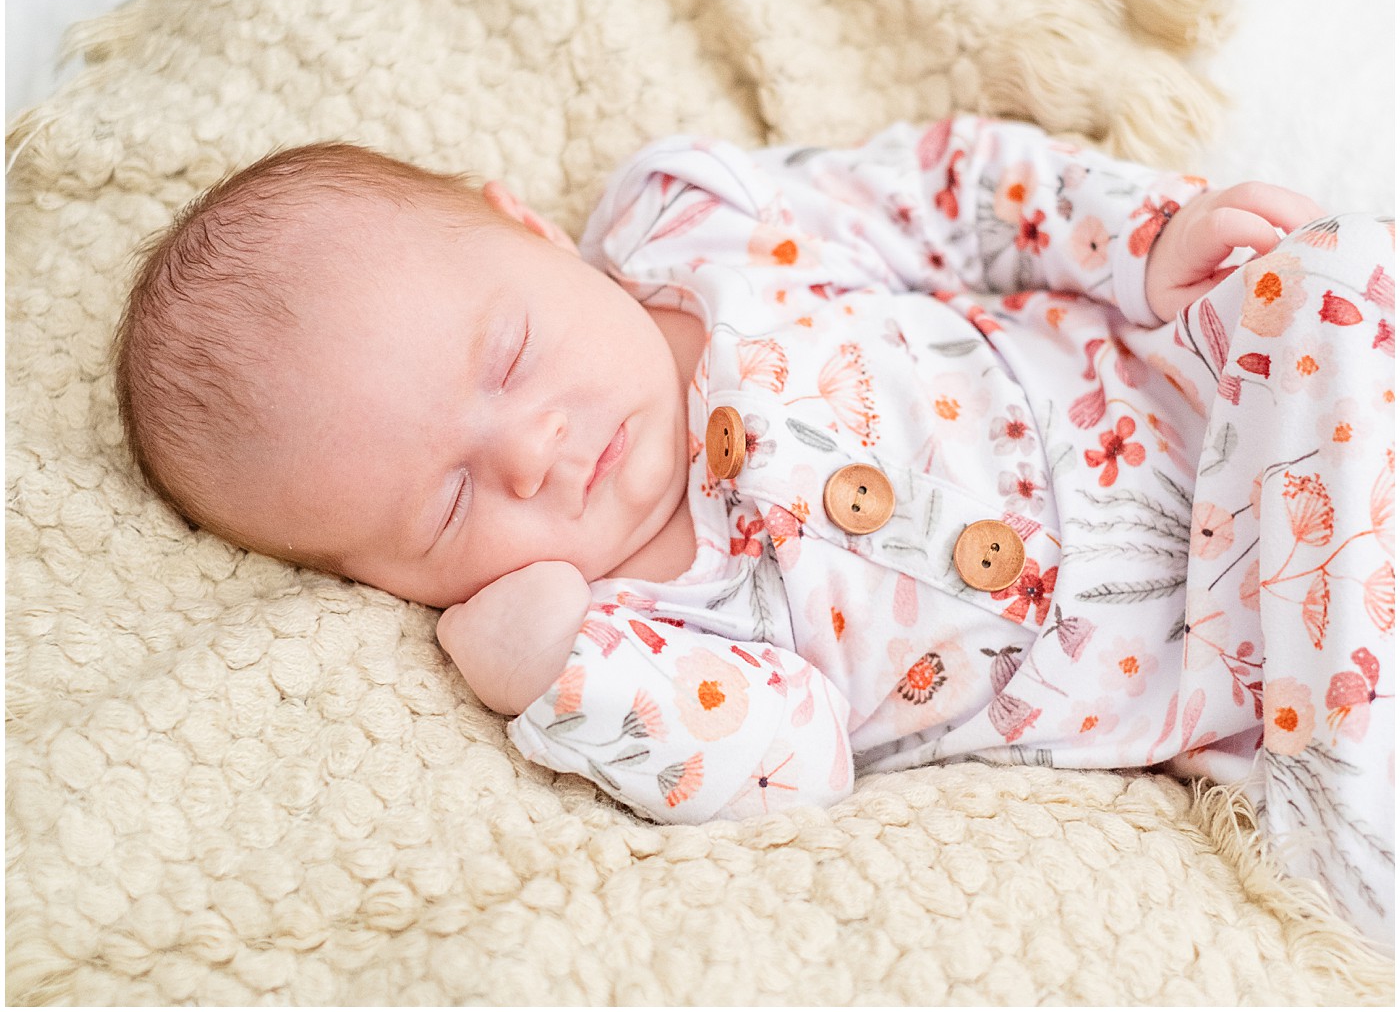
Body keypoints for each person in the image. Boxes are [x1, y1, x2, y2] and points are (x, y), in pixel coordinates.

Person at [112, 114, 1394, 943]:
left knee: (1327, 277)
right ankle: (1344, 780)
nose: (531, 450)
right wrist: (562, 670)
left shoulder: (695, 232)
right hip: (1238, 676)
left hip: (1229, 407)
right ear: (383, 584)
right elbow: (796, 762)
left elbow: (942, 193)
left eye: (507, 355)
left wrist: (1131, 238)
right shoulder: (643, 629)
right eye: (449, 503)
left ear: (529, 228)